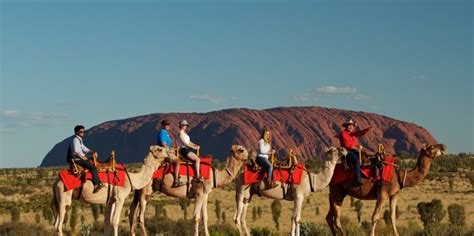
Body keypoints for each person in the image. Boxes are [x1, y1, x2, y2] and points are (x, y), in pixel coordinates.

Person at [67, 125, 104, 193]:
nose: (83, 133)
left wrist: (92, 152)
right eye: (81, 131)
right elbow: (76, 151)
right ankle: (96, 185)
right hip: (78, 160)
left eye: (83, 131)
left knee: (93, 161)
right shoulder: (75, 140)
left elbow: (84, 148)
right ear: (76, 132)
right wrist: (83, 158)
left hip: (80, 158)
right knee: (93, 168)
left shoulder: (79, 139)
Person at [338, 119, 372, 185]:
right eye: (349, 125)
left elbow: (360, 133)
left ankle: (363, 172)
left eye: (352, 126)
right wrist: (357, 148)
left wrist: (367, 129)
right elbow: (347, 145)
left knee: (365, 157)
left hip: (353, 150)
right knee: (356, 160)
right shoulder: (343, 133)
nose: (350, 127)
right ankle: (358, 179)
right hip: (346, 152)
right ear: (346, 126)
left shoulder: (353, 133)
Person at [157, 119, 184, 187]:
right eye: (166, 124)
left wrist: (174, 148)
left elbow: (168, 145)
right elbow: (164, 144)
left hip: (167, 151)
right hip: (164, 153)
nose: (168, 126)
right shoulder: (162, 132)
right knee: (177, 161)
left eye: (168, 124)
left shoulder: (166, 133)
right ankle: (176, 180)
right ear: (163, 125)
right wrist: (171, 150)